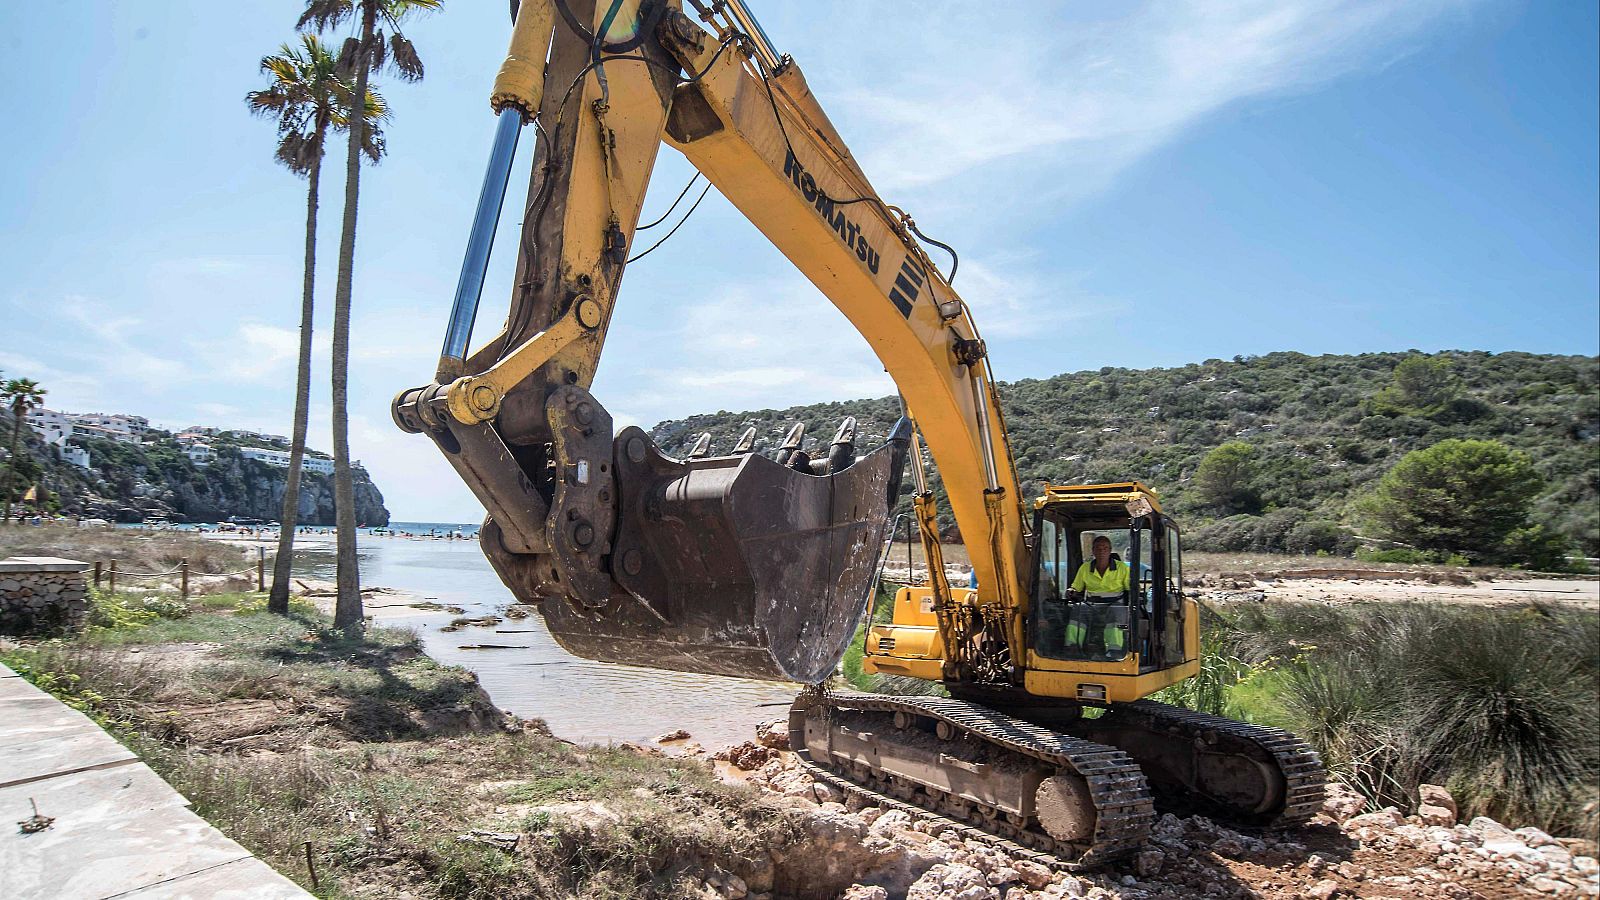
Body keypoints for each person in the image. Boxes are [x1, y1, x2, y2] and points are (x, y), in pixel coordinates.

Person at [1065, 534, 1130, 658]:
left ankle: (1114, 650)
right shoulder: (1085, 568)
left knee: (1116, 613)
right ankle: (1072, 646)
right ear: (1093, 551)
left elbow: (1130, 588)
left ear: (1110, 551)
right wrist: (1071, 591)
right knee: (1078, 609)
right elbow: (1076, 587)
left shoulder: (1122, 568)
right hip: (1091, 604)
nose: (1102, 551)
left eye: (1105, 548)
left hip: (1115, 603)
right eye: (1098, 548)